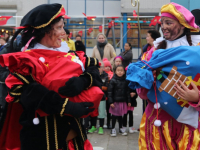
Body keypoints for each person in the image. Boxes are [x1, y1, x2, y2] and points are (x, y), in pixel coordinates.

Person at [0, 3, 102, 150]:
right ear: (45, 31)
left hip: (75, 142)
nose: (64, 33)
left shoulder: (71, 55)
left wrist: (84, 80)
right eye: (59, 28)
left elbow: (94, 70)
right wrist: (67, 106)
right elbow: (28, 93)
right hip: (42, 140)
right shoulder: (26, 60)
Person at [128, 2, 200, 149]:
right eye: (162, 22)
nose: (164, 27)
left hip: (188, 127)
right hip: (156, 123)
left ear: (182, 25)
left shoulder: (196, 51)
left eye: (168, 22)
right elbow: (142, 94)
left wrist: (197, 98)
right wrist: (144, 81)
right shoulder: (152, 52)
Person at [108, 65, 130, 137]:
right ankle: (113, 128)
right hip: (115, 101)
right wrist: (111, 102)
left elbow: (127, 92)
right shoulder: (113, 80)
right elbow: (110, 92)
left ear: (124, 72)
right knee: (114, 115)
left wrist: (129, 101)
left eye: (121, 70)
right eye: (118, 70)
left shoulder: (126, 80)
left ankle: (121, 128)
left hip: (123, 101)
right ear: (115, 71)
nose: (120, 72)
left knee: (121, 115)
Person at [88, 62, 109, 134]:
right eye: (98, 67)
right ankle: (93, 126)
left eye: (101, 67)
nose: (99, 68)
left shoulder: (106, 76)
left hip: (102, 97)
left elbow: (106, 87)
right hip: (93, 97)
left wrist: (97, 87)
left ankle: (101, 127)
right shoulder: (92, 75)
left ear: (103, 68)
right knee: (93, 112)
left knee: (102, 112)